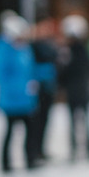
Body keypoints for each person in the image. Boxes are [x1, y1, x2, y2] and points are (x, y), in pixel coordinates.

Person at [0, 11, 39, 173]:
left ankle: (30, 158)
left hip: (25, 99)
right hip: (11, 99)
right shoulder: (3, 48)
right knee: (10, 130)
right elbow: (2, 75)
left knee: (30, 130)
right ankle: (6, 163)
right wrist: (20, 89)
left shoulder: (23, 48)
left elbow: (28, 70)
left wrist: (31, 86)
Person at [58, 13, 89, 162]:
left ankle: (81, 149)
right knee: (82, 121)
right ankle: (84, 148)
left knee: (78, 122)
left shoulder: (71, 52)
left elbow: (67, 71)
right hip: (80, 90)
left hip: (76, 90)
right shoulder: (75, 51)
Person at [29, 18, 60, 162]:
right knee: (36, 121)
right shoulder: (32, 46)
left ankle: (41, 149)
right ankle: (34, 151)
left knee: (46, 120)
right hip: (38, 88)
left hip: (48, 86)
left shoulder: (50, 45)